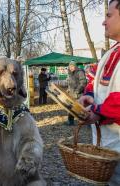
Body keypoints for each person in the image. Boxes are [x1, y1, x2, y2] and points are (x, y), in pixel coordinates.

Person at [79, 0, 120, 185]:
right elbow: (96, 79)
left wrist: (97, 111)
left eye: (109, 16)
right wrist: (90, 96)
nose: (104, 22)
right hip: (108, 149)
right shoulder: (111, 52)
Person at [66, 60, 87, 125]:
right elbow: (70, 83)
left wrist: (77, 91)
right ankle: (70, 121)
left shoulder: (80, 72)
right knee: (70, 107)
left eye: (72, 66)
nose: (71, 67)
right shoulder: (70, 73)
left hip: (78, 94)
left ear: (75, 66)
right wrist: (68, 89)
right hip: (71, 93)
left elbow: (83, 83)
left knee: (79, 108)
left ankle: (84, 121)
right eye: (70, 66)